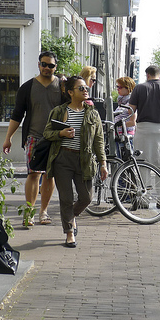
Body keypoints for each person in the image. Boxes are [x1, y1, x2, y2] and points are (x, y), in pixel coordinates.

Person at [43, 76, 107, 247]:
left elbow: (99, 140)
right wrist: (61, 133)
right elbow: (47, 133)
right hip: (62, 159)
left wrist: (103, 163)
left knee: (86, 198)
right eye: (81, 88)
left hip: (84, 160)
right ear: (70, 92)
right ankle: (69, 232)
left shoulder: (92, 113)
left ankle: (71, 216)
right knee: (66, 198)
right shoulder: (59, 111)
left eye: (86, 87)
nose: (85, 90)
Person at [2, 51, 64, 226]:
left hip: (55, 138)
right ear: (39, 65)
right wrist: (8, 138)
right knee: (34, 173)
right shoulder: (27, 87)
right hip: (34, 137)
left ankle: (43, 212)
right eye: (44, 64)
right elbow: (17, 115)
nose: (47, 68)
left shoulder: (62, 87)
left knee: (49, 175)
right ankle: (29, 213)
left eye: (50, 65)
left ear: (55, 67)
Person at [128, 65, 160, 200]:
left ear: (147, 75)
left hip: (144, 129)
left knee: (143, 164)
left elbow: (131, 110)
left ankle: (144, 198)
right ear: (159, 75)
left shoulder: (139, 88)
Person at [114, 76, 137, 157]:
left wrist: (117, 125)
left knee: (124, 159)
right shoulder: (122, 103)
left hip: (125, 137)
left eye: (120, 87)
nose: (118, 89)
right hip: (119, 136)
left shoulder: (130, 103)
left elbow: (132, 122)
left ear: (128, 88)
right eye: (117, 87)